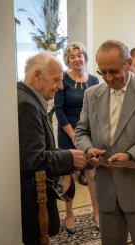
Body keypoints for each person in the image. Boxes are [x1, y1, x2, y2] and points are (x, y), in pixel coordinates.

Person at [75, 40, 135, 245]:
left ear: (128, 63)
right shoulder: (92, 95)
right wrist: (88, 149)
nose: (108, 78)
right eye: (103, 72)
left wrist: (130, 155)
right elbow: (81, 132)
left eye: (114, 71)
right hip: (106, 187)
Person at [17, 51, 88, 245]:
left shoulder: (27, 98)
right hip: (31, 202)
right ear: (38, 75)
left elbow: (41, 148)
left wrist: (70, 155)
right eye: (56, 79)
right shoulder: (26, 105)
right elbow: (33, 159)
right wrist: (69, 158)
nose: (60, 86)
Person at [54, 42, 100, 233]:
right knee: (69, 175)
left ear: (85, 57)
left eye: (79, 55)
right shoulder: (62, 80)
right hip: (68, 134)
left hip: (89, 133)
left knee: (91, 175)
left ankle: (97, 214)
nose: (76, 59)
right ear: (67, 60)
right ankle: (69, 214)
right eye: (71, 56)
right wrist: (74, 135)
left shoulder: (94, 81)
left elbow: (97, 109)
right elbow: (59, 109)